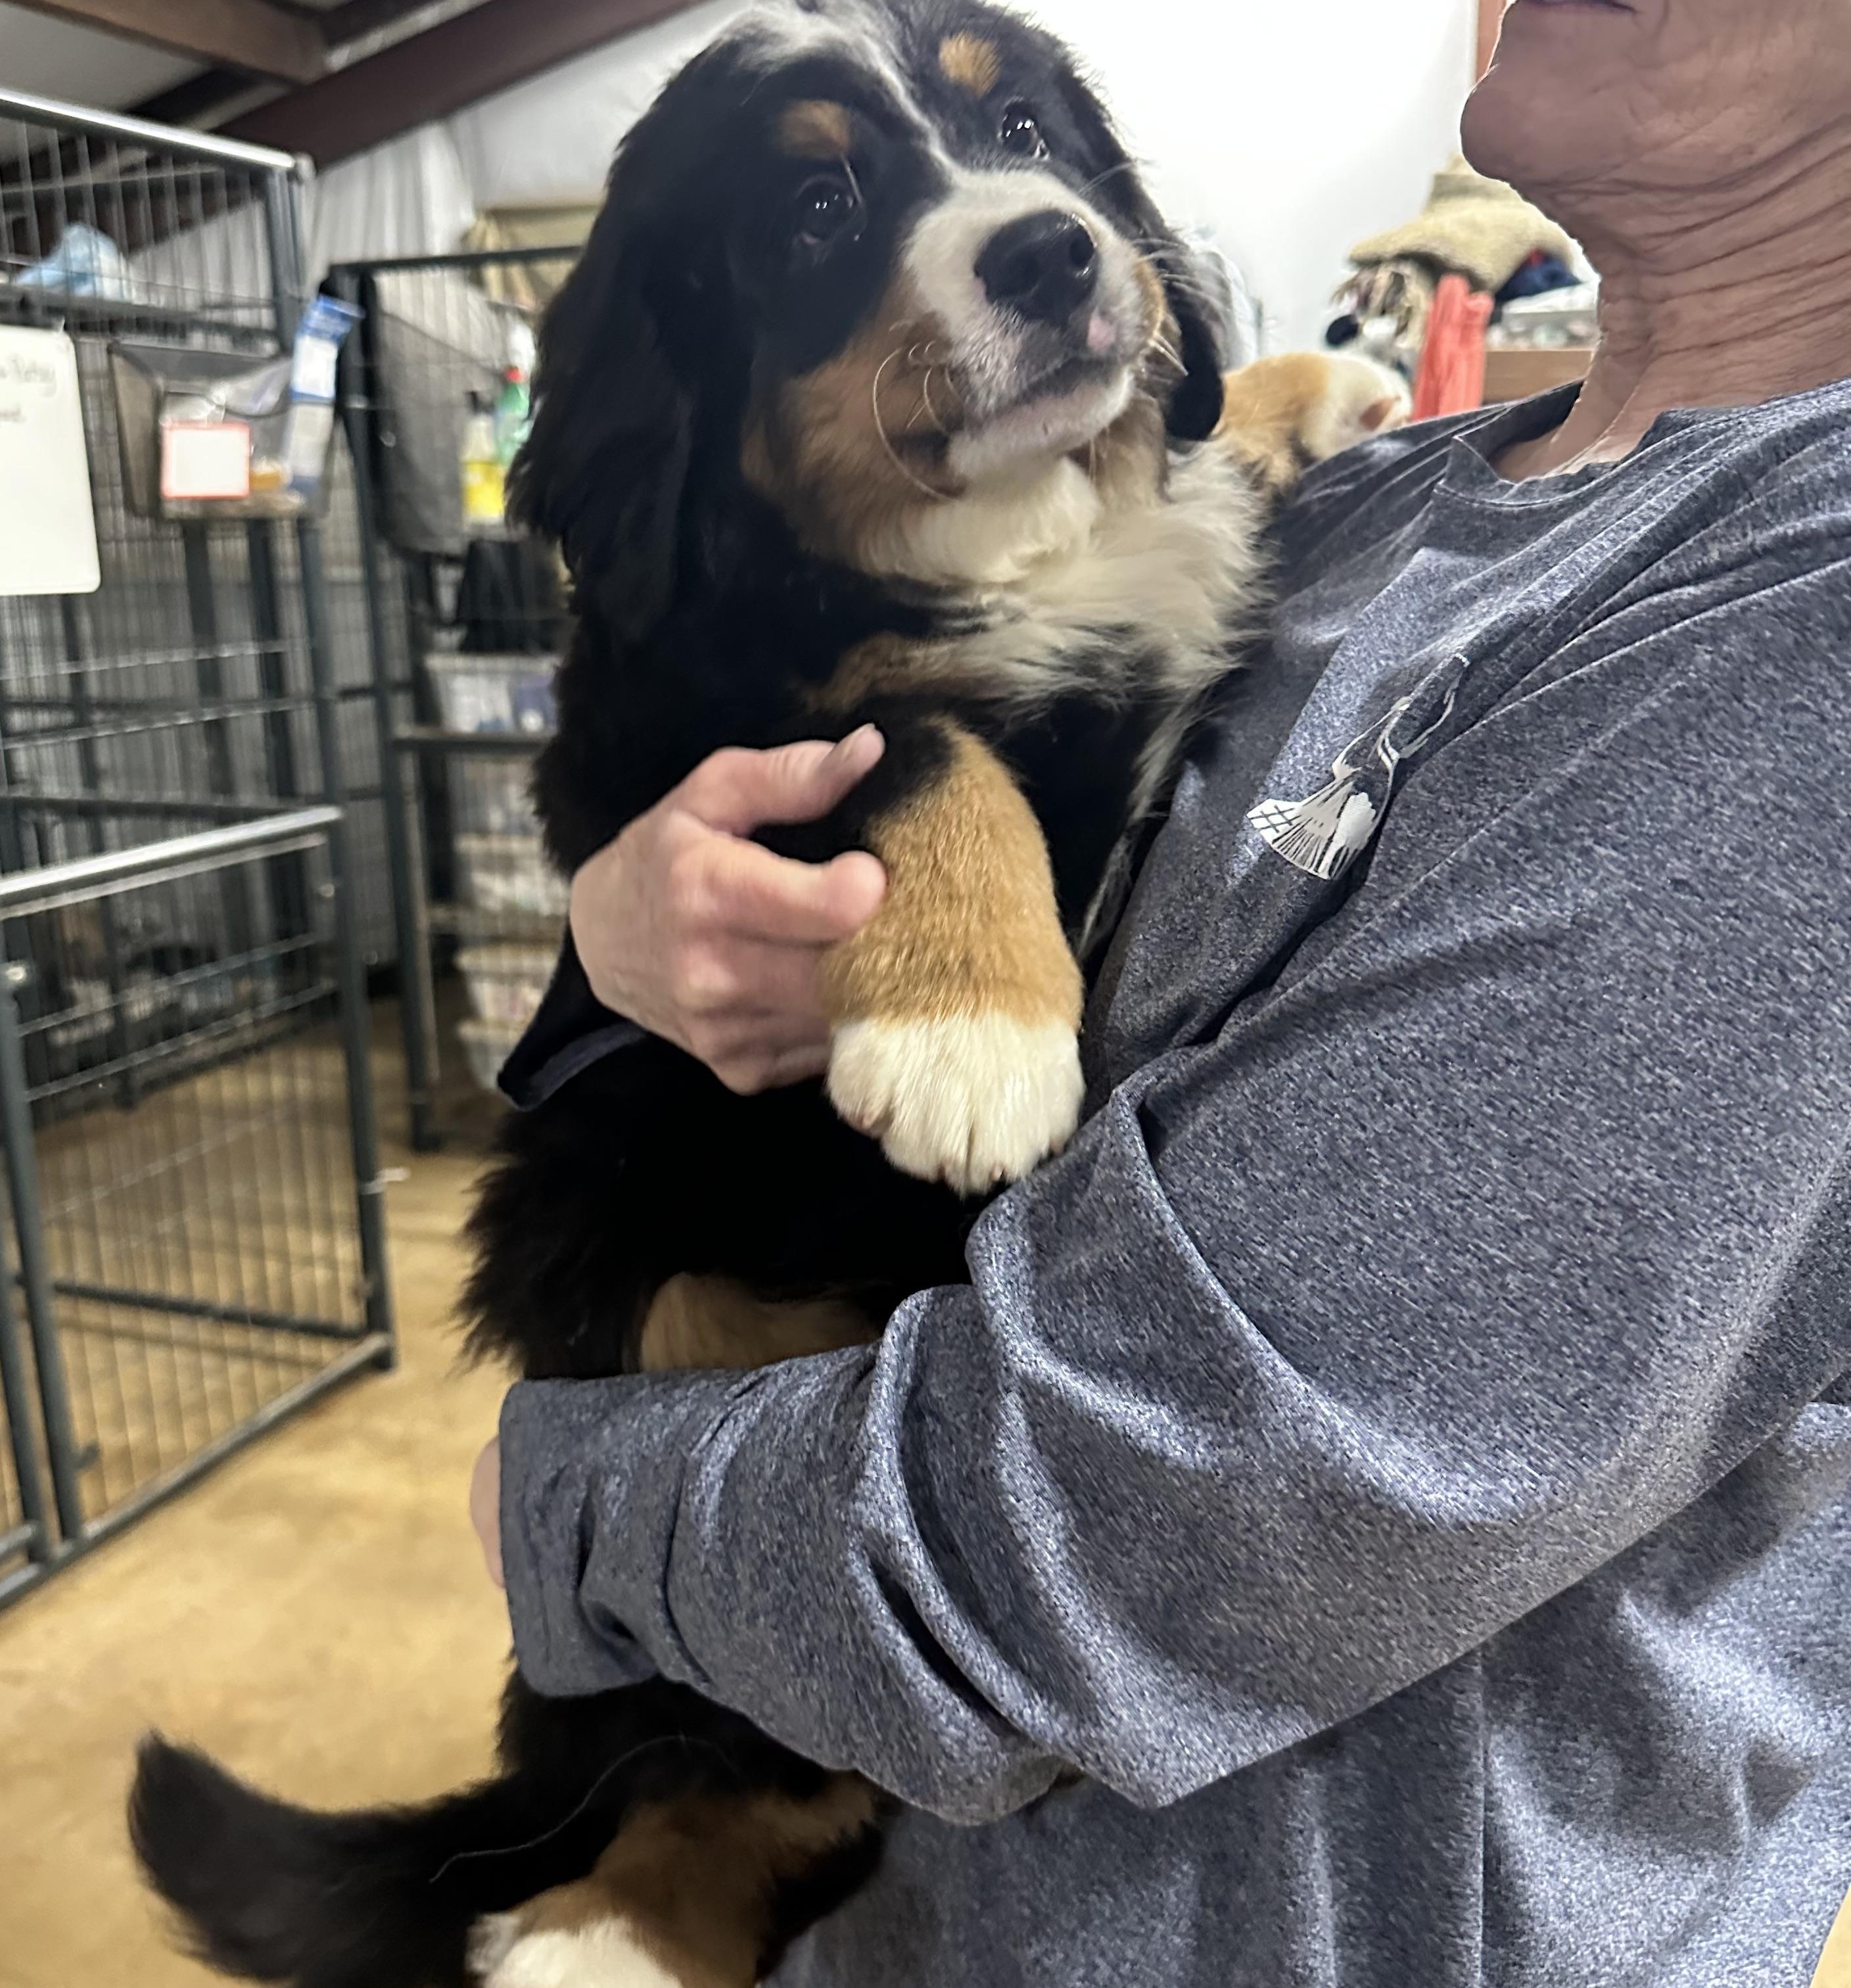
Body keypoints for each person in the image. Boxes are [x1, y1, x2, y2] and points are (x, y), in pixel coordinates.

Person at [469, 1, 1851, 1979]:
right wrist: (614, 959)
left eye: (1017, 132)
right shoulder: (1390, 500)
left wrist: (569, 1523)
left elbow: (1157, 1527)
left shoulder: (1798, 635)